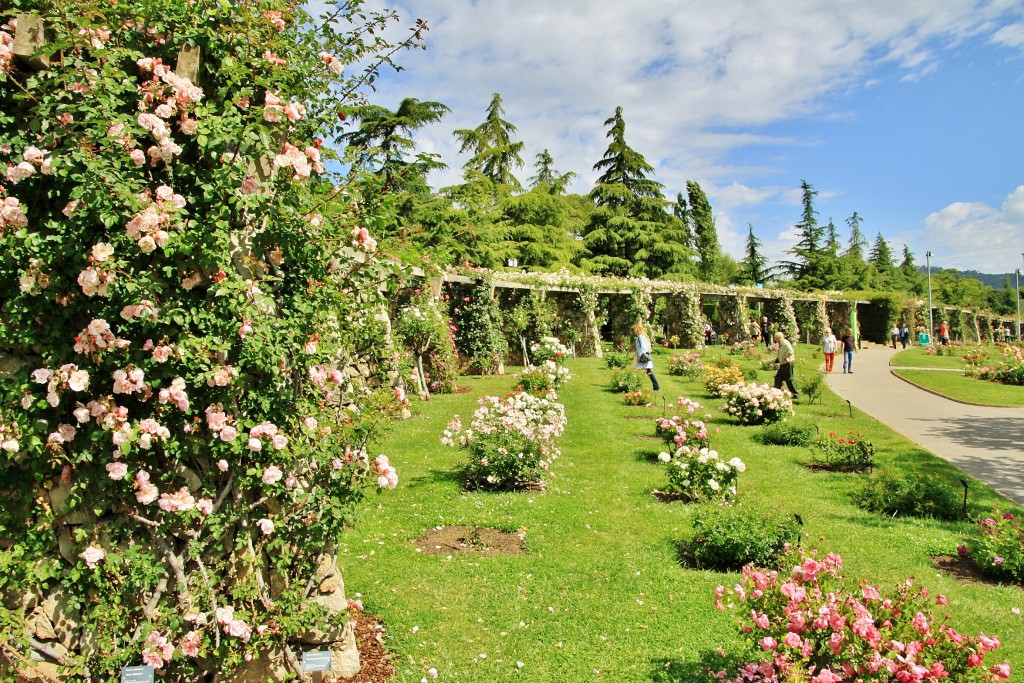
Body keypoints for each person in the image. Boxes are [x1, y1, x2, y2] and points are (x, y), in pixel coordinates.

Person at [632, 322, 660, 391]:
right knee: (648, 371)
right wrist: (633, 356)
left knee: (637, 371)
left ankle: (635, 386)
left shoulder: (640, 337)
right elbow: (639, 348)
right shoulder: (643, 336)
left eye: (634, 329)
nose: (634, 331)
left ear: (637, 329)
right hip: (644, 356)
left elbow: (642, 348)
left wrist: (639, 357)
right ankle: (656, 387)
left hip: (642, 357)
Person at [772, 331, 798, 398]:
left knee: (789, 379)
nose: (775, 339)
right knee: (778, 377)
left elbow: (790, 352)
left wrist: (784, 357)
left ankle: (795, 393)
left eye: (775, 338)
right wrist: (778, 359)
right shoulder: (782, 343)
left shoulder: (785, 343)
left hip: (787, 363)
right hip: (783, 364)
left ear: (779, 338)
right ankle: (776, 391)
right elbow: (782, 352)